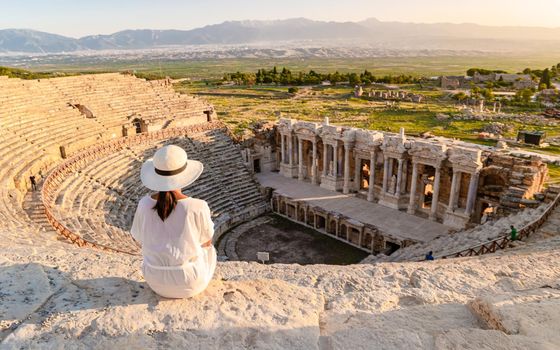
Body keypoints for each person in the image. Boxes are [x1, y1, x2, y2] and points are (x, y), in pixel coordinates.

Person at [131, 145, 216, 299]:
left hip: (154, 280)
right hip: (190, 281)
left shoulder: (143, 204)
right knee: (209, 251)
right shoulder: (197, 206)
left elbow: (137, 237)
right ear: (184, 174)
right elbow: (206, 242)